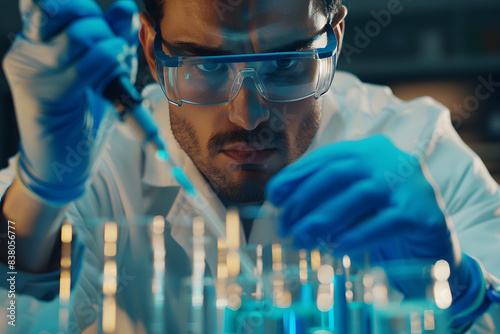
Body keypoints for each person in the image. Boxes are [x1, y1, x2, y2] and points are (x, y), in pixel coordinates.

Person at [1, 0, 499, 332]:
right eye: (208, 66)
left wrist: (457, 284)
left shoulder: (418, 150)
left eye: (284, 64)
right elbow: (9, 314)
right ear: (152, 50)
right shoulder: (99, 159)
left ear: (335, 37)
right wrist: (40, 195)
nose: (248, 114)